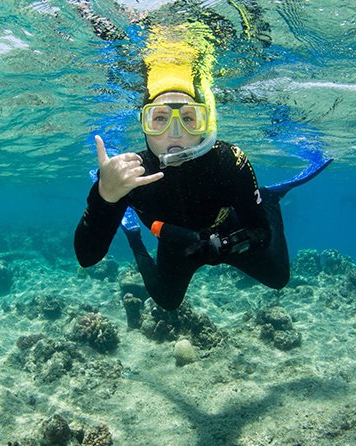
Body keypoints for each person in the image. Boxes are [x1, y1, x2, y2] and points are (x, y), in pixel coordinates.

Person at [74, 23, 292, 311]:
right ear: (144, 125)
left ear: (206, 126)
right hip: (179, 243)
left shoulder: (229, 160)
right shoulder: (130, 174)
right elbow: (87, 257)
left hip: (227, 231)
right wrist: (104, 197)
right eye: (160, 118)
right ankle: (135, 238)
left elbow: (260, 233)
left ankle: (270, 200)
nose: (175, 133)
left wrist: (226, 245)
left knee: (279, 278)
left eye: (189, 118)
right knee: (167, 302)